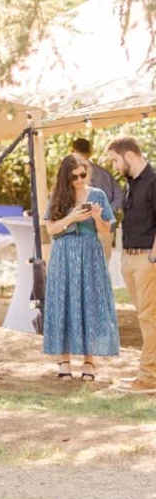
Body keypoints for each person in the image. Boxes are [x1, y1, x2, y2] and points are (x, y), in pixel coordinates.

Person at [43, 152, 119, 378]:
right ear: (65, 177)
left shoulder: (98, 195)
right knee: (63, 301)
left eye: (82, 175)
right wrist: (71, 219)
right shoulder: (57, 197)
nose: (79, 180)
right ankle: (64, 361)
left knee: (90, 301)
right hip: (63, 255)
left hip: (90, 253)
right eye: (74, 177)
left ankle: (89, 361)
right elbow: (51, 229)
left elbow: (106, 231)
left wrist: (96, 217)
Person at [106, 137, 156, 390]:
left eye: (115, 160)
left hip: (148, 258)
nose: (113, 165)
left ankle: (149, 378)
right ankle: (146, 373)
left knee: (150, 318)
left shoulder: (154, 180)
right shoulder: (130, 184)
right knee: (146, 317)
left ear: (129, 156)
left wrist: (153, 258)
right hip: (130, 258)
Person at [72, 137, 123, 218]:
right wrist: (108, 211)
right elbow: (119, 196)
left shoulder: (70, 176)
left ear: (73, 153)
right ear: (89, 153)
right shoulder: (105, 173)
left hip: (83, 222)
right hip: (106, 221)